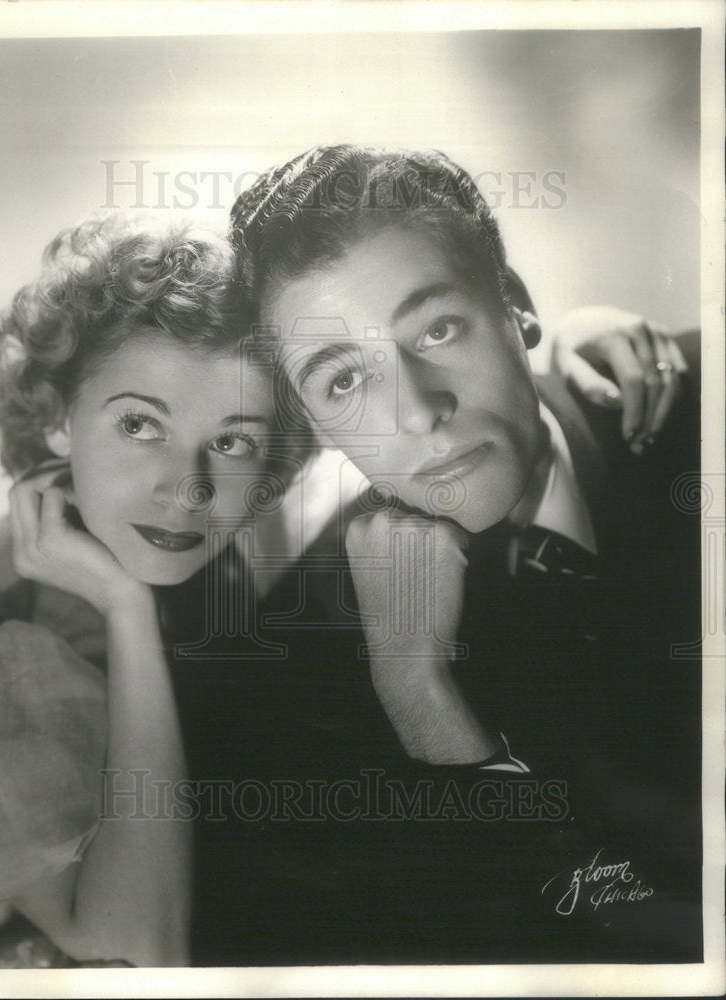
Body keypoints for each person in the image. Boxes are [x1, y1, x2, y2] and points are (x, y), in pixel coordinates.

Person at [219, 144, 701, 963]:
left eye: (436, 330)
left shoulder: (693, 409)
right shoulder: (304, 662)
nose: (417, 411)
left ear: (516, 306)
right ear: (313, 423)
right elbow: (559, 951)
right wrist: (418, 694)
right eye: (343, 380)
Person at [0, 214, 292, 968]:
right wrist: (126, 611)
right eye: (140, 424)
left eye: (233, 441)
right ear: (55, 420)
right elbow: (135, 958)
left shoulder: (233, 556)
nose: (188, 491)